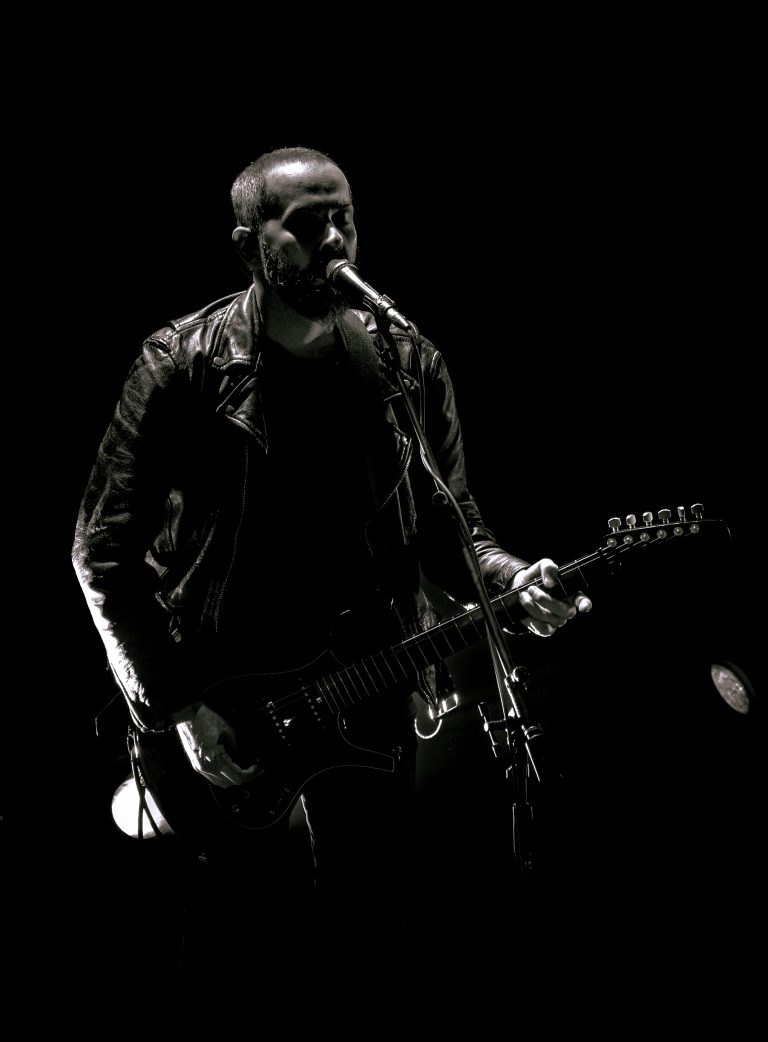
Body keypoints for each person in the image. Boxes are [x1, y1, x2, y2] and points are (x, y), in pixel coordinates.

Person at [71, 145, 592, 999]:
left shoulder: (406, 362)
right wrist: (179, 707)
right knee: (238, 934)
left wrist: (508, 580)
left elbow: (452, 525)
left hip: (364, 685)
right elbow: (101, 550)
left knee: (370, 924)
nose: (334, 238)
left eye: (343, 216)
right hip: (221, 699)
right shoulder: (181, 365)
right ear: (250, 246)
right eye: (306, 223)